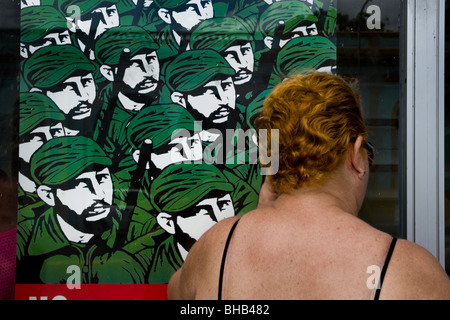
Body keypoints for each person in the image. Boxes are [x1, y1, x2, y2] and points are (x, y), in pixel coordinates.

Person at [167, 72, 450, 300]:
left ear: (273, 161)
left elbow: (176, 292)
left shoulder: (216, 250)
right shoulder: (407, 270)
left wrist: (260, 211)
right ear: (355, 154)